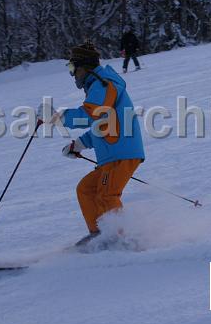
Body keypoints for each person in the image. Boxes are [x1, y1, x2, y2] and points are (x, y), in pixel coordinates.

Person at [38, 40, 145, 246]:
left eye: (72, 68)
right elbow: (102, 124)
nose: (72, 74)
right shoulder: (98, 86)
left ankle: (119, 239)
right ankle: (99, 235)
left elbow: (90, 115)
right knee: (86, 189)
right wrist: (79, 144)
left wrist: (56, 117)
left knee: (107, 195)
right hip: (112, 155)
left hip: (120, 153)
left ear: (84, 67)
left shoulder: (104, 84)